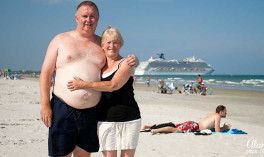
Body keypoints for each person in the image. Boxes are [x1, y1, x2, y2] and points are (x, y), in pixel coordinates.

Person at [39, 1, 138, 157]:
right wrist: (45, 105)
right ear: (77, 18)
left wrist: (134, 60)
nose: (88, 20)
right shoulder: (60, 40)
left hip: (91, 112)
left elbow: (118, 62)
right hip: (63, 108)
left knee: (84, 154)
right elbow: (46, 73)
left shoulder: (103, 44)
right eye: (85, 16)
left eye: (92, 16)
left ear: (98, 18)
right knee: (60, 154)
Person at [67, 26, 141, 157]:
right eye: (108, 42)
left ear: (121, 44)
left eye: (115, 42)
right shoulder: (99, 66)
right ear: (102, 45)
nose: (112, 46)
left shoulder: (126, 63)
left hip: (129, 118)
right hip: (105, 118)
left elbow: (114, 85)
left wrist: (83, 84)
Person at [141, 105, 231, 135]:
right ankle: (156, 131)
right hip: (194, 126)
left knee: (173, 125)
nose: (226, 113)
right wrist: (225, 127)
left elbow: (210, 127)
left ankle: (148, 126)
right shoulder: (217, 117)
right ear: (221, 111)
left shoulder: (211, 114)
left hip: (192, 123)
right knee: (175, 130)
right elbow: (217, 131)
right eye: (225, 112)